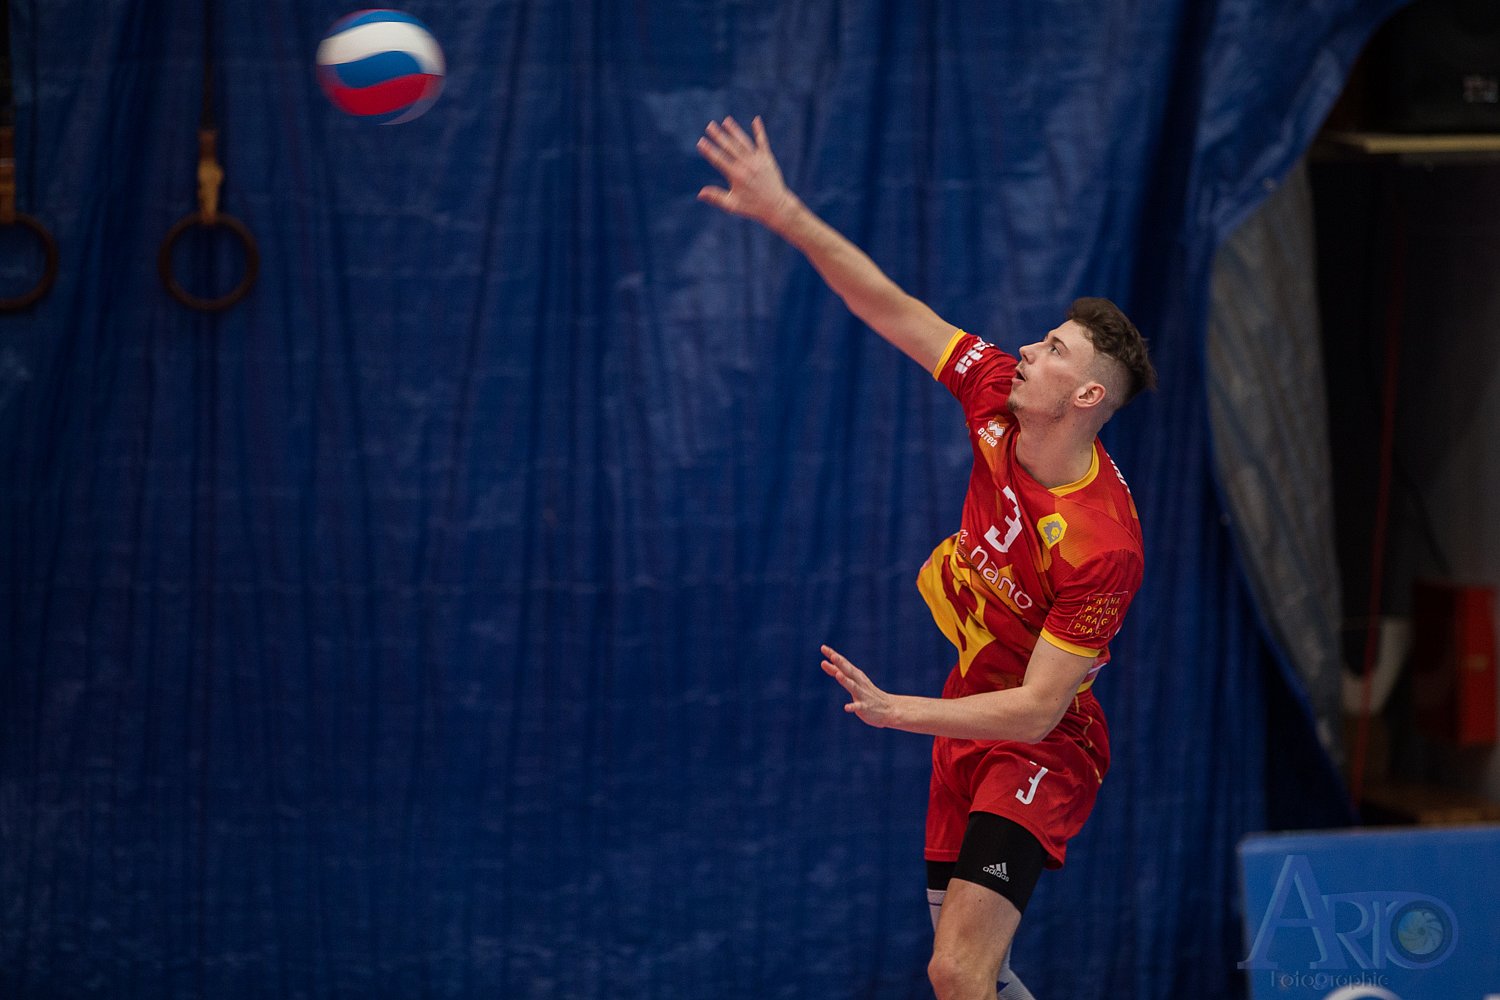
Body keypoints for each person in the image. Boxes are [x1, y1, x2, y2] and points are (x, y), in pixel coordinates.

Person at [697, 116, 1156, 1000]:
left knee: (958, 967)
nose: (1029, 349)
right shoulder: (995, 397)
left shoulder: (1102, 546)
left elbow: (1036, 711)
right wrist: (785, 212)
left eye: (1054, 350)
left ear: (1088, 395)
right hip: (967, 717)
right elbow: (886, 304)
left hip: (1040, 746)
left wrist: (897, 712)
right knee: (968, 978)